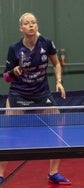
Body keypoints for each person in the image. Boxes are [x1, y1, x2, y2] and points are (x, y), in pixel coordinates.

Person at [1, 12, 71, 185]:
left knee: (58, 128)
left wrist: (59, 82)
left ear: (37, 26)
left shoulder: (46, 43)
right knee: (9, 134)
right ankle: (0, 173)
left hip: (42, 93)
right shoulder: (15, 48)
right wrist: (14, 72)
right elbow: (6, 78)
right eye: (27, 23)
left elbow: (56, 64)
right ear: (21, 28)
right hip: (19, 93)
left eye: (33, 22)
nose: (31, 25)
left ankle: (53, 172)